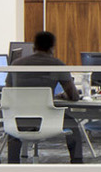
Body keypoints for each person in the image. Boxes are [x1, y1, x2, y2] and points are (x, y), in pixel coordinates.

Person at [5, 29, 83, 164]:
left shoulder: (16, 64)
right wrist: (63, 96)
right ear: (52, 48)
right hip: (49, 121)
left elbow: (8, 91)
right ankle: (77, 164)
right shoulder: (57, 64)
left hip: (20, 120)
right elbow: (74, 96)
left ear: (34, 47)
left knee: (12, 128)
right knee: (73, 125)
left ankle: (13, 169)